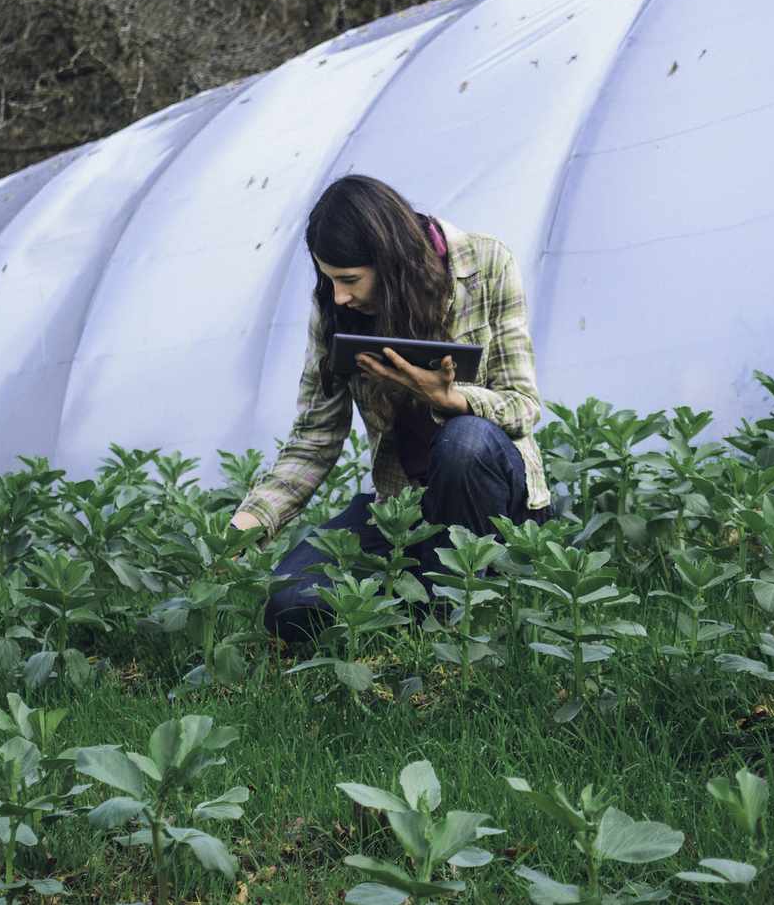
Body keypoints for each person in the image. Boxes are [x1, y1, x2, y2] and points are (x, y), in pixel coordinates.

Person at [230, 174, 551, 640]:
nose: (338, 294)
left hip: (497, 506)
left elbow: (522, 407)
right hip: (406, 512)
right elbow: (314, 440)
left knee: (464, 442)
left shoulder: (486, 264)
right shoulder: (338, 309)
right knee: (290, 604)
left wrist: (450, 398)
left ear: (390, 260)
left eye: (349, 279)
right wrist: (246, 526)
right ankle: (415, 598)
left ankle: (457, 616)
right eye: (329, 278)